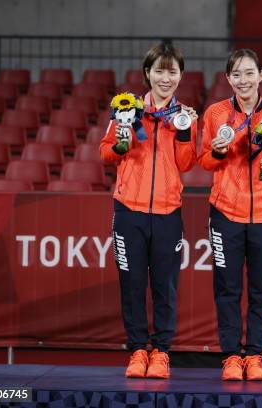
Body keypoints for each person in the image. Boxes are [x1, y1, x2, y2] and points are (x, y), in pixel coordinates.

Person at [198, 49, 262, 381]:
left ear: (261, 75)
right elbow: (204, 162)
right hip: (225, 212)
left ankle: (254, 355)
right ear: (228, 79)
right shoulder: (215, 113)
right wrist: (216, 151)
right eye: (236, 74)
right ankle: (230, 356)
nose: (243, 80)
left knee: (260, 288)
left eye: (249, 73)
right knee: (226, 288)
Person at [99, 43, 198, 378]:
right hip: (129, 210)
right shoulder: (126, 109)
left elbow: (186, 164)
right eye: (159, 70)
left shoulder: (185, 116)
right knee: (132, 284)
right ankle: (138, 350)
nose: (165, 78)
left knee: (165, 286)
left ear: (180, 75)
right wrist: (120, 142)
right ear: (147, 73)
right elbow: (106, 154)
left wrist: (184, 133)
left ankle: (161, 352)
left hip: (168, 212)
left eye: (171, 71)